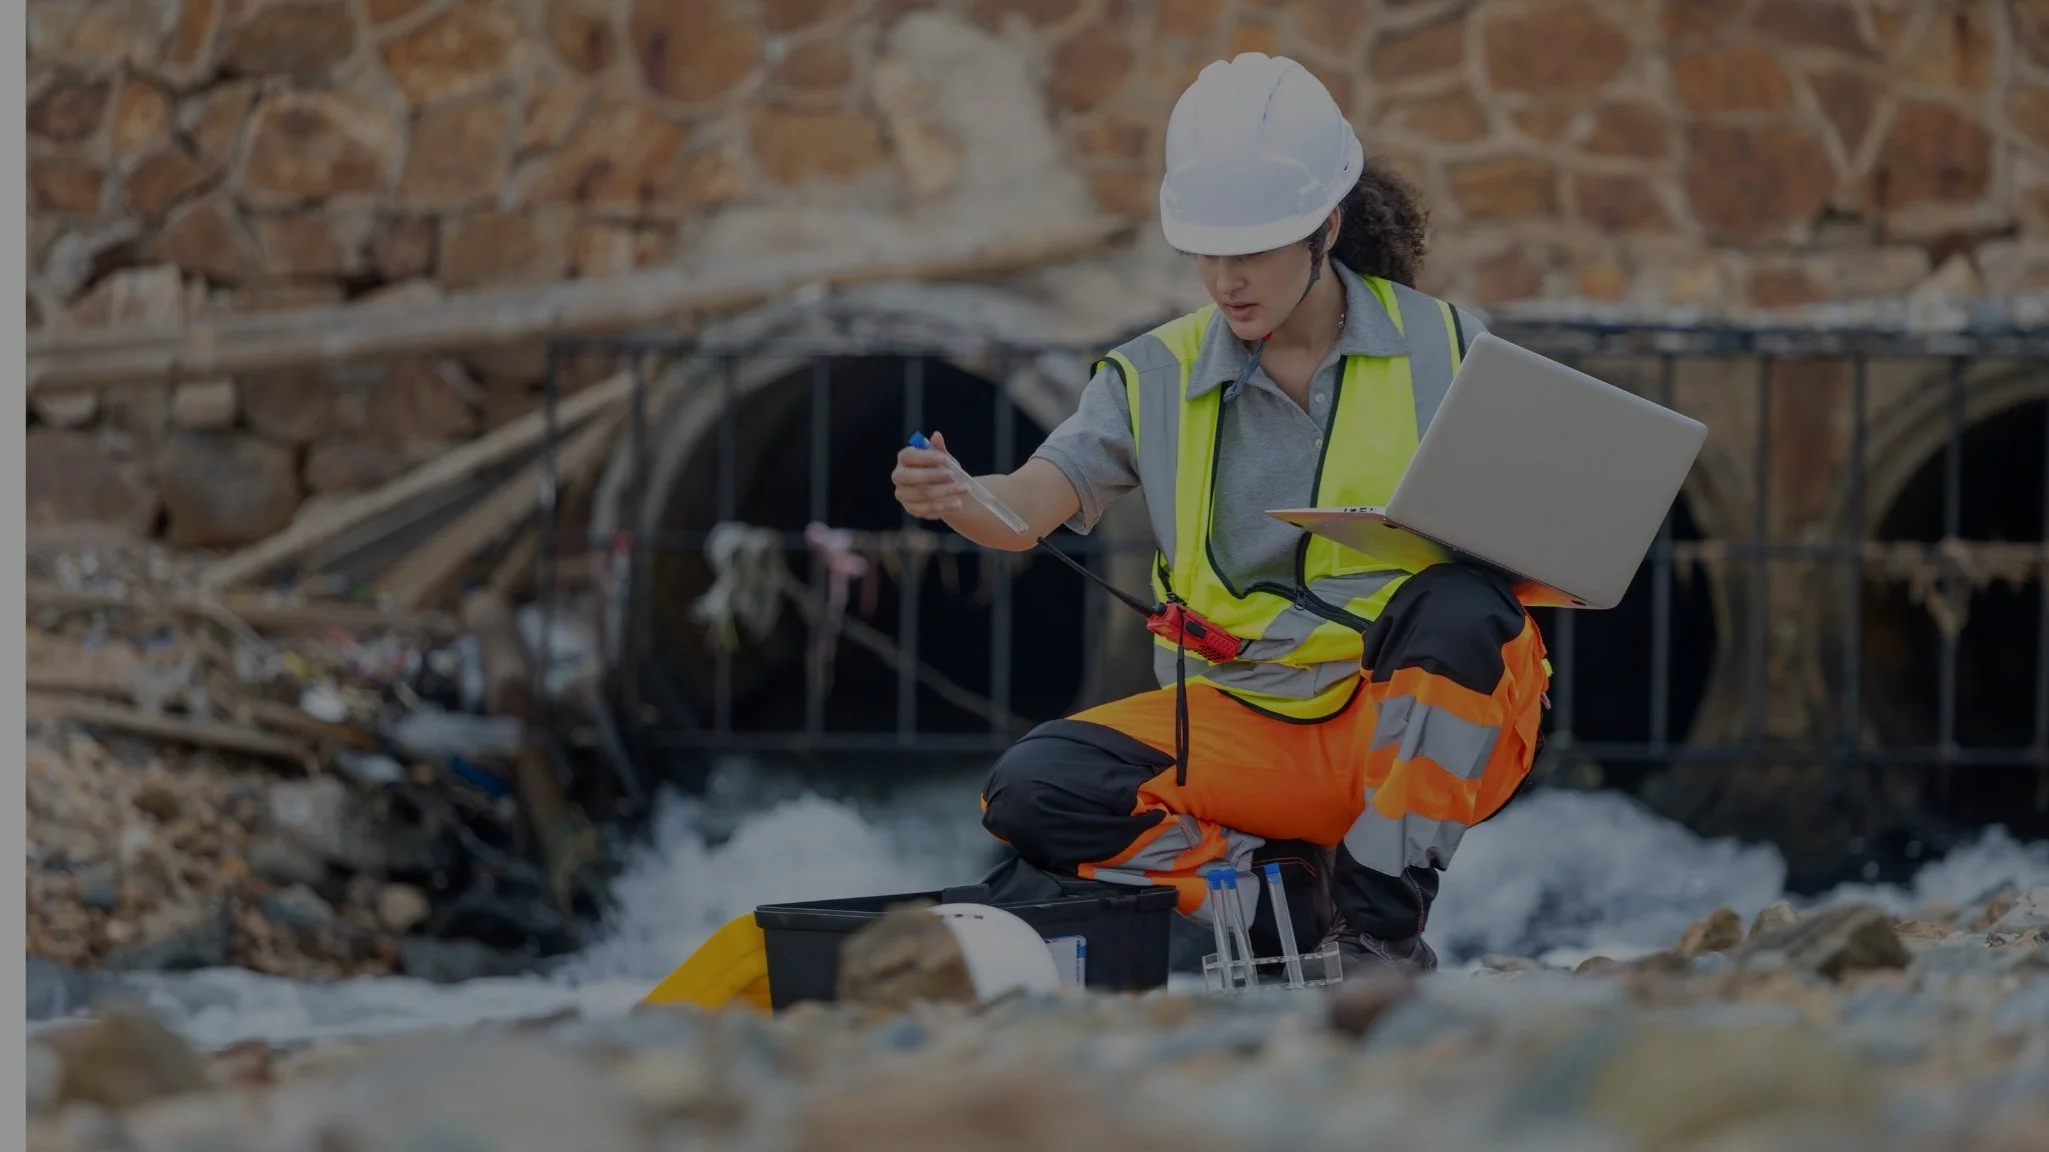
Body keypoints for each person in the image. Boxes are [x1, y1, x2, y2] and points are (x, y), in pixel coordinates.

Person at [890, 53, 1550, 976]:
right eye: (1206, 251)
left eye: (1251, 252)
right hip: (1248, 721)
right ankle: (1272, 898)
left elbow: (1529, 540)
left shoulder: (1447, 346)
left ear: (1326, 228)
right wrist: (961, 497)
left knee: (1462, 602)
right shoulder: (1150, 377)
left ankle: (1377, 929)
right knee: (1034, 790)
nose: (1224, 280)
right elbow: (1023, 511)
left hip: (1414, 726)